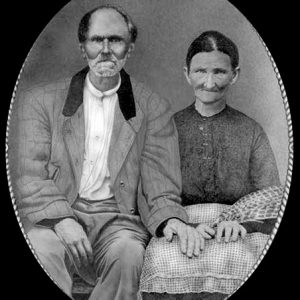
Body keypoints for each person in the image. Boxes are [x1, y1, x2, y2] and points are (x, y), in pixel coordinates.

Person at [12, 5, 201, 300]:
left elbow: (160, 183)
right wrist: (62, 219)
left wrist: (171, 219)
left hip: (119, 221)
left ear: (130, 48)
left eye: (115, 40)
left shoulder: (153, 107)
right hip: (59, 213)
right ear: (82, 47)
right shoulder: (40, 101)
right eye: (96, 40)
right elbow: (28, 173)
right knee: (40, 249)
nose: (105, 50)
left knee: (128, 256)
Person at [139, 31, 281, 300]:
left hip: (238, 230)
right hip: (179, 225)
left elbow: (272, 198)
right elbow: (149, 191)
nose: (209, 82)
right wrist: (176, 224)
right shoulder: (166, 128)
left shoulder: (250, 130)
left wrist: (243, 224)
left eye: (219, 72)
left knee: (247, 256)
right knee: (161, 258)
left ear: (234, 74)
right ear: (186, 73)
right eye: (200, 71)